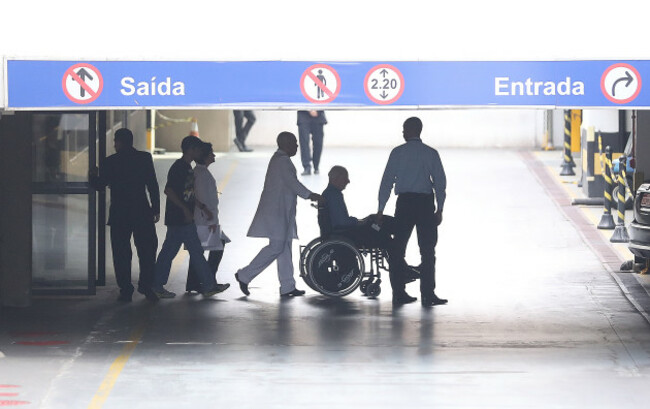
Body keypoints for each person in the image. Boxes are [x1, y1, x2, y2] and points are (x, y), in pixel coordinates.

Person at [235, 131, 321, 297]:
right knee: (277, 247)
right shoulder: (282, 162)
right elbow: (293, 184)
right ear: (286, 144)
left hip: (282, 213)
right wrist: (312, 195)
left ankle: (287, 285)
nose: (297, 146)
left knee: (285, 248)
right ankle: (244, 275)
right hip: (276, 214)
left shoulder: (281, 160)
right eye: (295, 143)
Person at [377, 117, 448, 307]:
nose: (402, 133)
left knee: (398, 249)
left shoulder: (397, 153)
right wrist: (440, 208)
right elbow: (440, 183)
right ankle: (428, 294)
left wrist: (380, 209)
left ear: (408, 131)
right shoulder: (431, 153)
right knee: (427, 250)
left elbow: (386, 182)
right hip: (425, 204)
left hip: (405, 204)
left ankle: (399, 293)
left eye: (403, 129)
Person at [89, 128, 159, 302]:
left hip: (120, 213)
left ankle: (126, 289)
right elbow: (152, 185)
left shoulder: (109, 162)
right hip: (142, 211)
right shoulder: (144, 158)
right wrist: (155, 208)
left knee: (121, 253)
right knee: (147, 250)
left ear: (119, 142)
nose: (114, 144)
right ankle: (146, 286)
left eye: (115, 141)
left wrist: (92, 176)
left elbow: (100, 185)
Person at [152, 135, 225, 299]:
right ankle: (208, 285)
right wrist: (185, 210)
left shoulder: (187, 168)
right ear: (191, 149)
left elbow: (189, 194)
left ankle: (157, 284)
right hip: (180, 219)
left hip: (181, 218)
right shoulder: (179, 167)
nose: (201, 152)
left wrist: (200, 207)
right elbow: (169, 190)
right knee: (194, 252)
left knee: (170, 252)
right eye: (198, 149)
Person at [321, 166, 419, 287]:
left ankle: (402, 268)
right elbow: (342, 221)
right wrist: (360, 222)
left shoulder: (329, 194)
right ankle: (402, 269)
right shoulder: (334, 195)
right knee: (383, 232)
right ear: (336, 178)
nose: (348, 181)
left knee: (379, 226)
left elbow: (341, 220)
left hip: (344, 231)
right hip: (347, 233)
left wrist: (362, 221)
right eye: (345, 178)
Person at [186, 142, 231, 294]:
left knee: (198, 251)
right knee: (217, 247)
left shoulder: (199, 172)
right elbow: (206, 200)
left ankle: (193, 283)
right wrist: (212, 222)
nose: (214, 156)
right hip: (205, 220)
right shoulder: (202, 175)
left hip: (202, 219)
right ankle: (209, 281)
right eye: (211, 154)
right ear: (205, 157)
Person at [297, 110, 327, 175]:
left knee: (318, 143)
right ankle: (306, 167)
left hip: (318, 116)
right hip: (303, 116)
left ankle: (316, 165)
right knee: (304, 143)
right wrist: (309, 110)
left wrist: (317, 111)